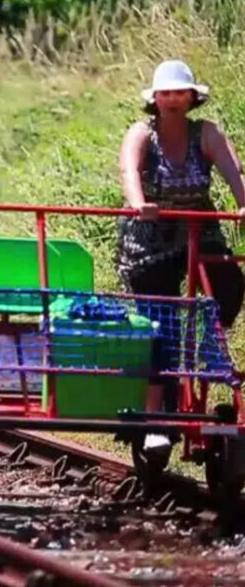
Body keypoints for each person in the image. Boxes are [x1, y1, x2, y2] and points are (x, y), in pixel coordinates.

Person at [116, 59, 245, 457]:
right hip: (150, 240)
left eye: (180, 93)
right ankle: (156, 420)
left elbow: (233, 171)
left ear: (192, 98)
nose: (172, 100)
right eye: (165, 93)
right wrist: (140, 205)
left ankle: (204, 347)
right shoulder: (142, 133)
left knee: (229, 283)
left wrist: (243, 204)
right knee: (160, 322)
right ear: (154, 99)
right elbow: (129, 171)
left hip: (197, 233)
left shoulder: (205, 133)